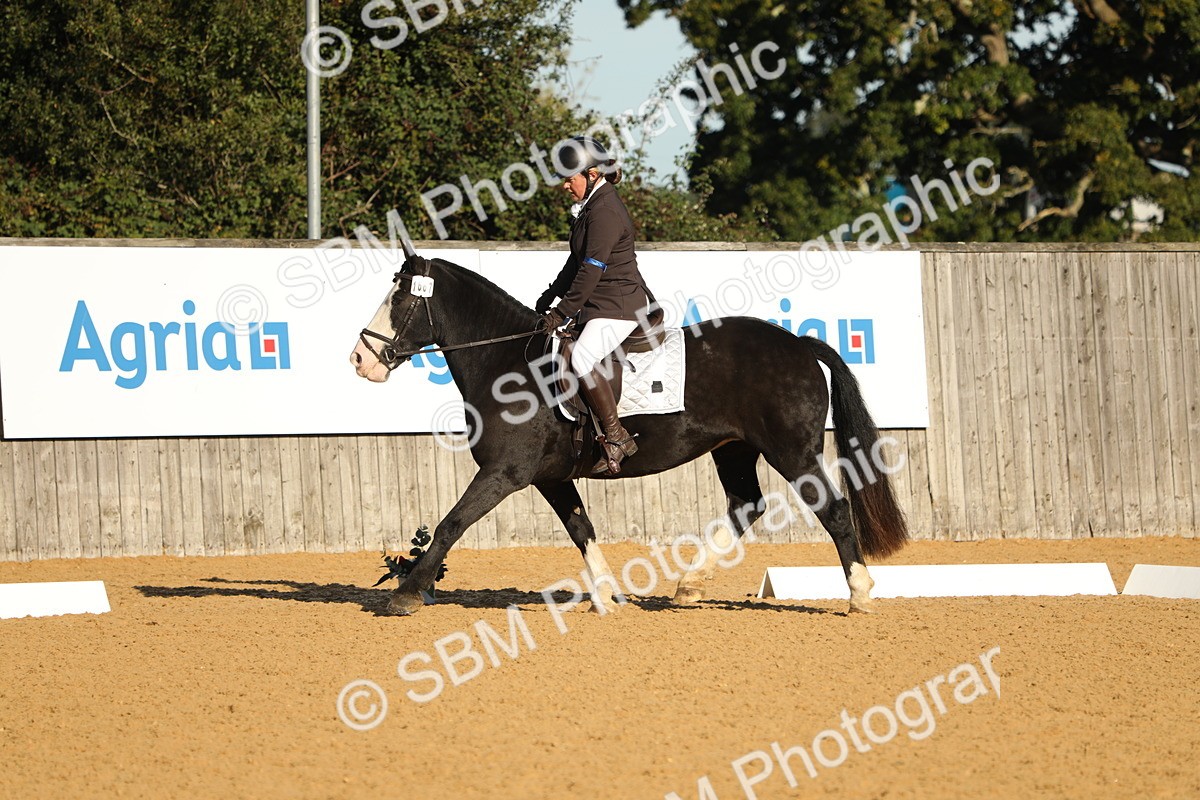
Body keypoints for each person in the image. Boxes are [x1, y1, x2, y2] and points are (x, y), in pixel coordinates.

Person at [535, 136, 656, 475]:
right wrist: (551, 295)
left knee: (583, 355)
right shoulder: (593, 206)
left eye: (568, 177)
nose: (564, 185)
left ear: (590, 174)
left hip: (618, 306)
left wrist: (563, 312)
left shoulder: (604, 211)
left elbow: (592, 270)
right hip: (601, 305)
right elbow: (575, 263)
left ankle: (616, 437)